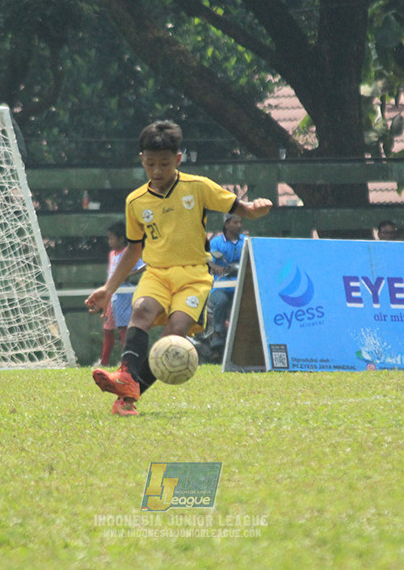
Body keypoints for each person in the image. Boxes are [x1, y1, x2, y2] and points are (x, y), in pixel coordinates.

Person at [85, 121, 272, 416]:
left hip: (194, 276)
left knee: (173, 336)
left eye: (164, 163)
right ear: (142, 160)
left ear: (178, 159)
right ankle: (125, 377)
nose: (157, 171)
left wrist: (256, 209)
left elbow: (242, 208)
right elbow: (134, 249)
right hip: (157, 273)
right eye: (150, 164)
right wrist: (108, 289)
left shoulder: (198, 188)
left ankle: (127, 397)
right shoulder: (135, 201)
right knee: (141, 310)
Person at [98, 222, 143, 367]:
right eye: (109, 238)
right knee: (108, 329)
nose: (110, 241)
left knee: (123, 328)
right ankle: (104, 362)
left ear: (122, 239)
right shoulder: (112, 254)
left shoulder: (129, 253)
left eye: (112, 238)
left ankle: (126, 362)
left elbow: (144, 265)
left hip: (124, 295)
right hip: (111, 295)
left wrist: (128, 273)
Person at [206, 213, 246, 358]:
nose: (239, 225)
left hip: (241, 285)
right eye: (235, 222)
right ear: (227, 224)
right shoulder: (216, 242)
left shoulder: (246, 241)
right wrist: (217, 268)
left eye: (240, 222)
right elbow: (209, 259)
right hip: (221, 286)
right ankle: (217, 333)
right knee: (221, 301)